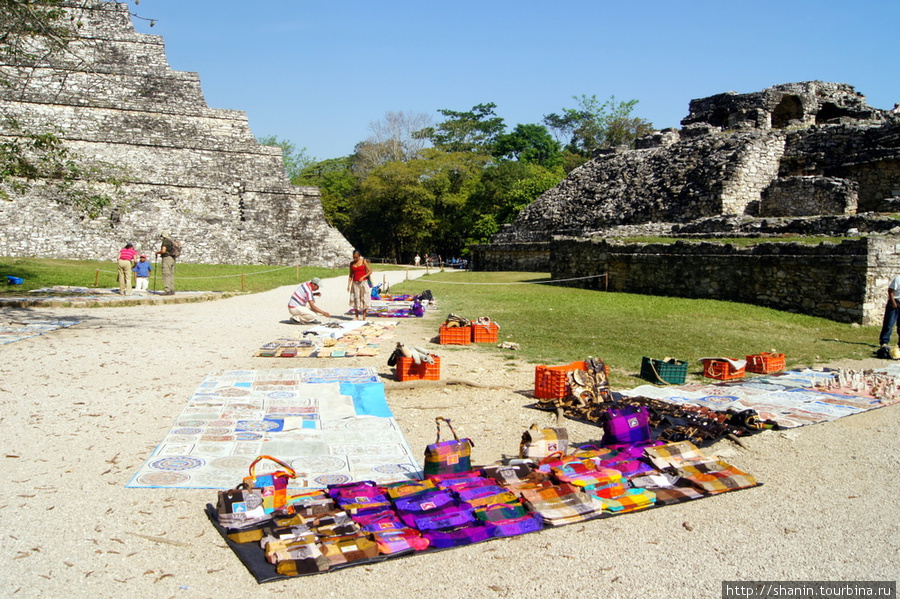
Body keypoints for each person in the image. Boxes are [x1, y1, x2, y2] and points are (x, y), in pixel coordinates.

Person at [347, 250, 373, 320]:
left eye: (356, 257)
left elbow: (370, 271)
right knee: (356, 298)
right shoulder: (351, 264)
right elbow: (350, 275)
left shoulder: (363, 261)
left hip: (363, 283)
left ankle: (364, 315)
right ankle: (356, 315)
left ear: (359, 256)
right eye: (354, 257)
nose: (355, 259)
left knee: (364, 298)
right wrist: (348, 285)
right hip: (355, 283)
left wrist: (363, 277)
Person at [878, 274, 900, 352]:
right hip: (895, 302)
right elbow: (890, 290)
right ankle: (884, 341)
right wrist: (893, 302)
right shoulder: (898, 279)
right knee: (889, 323)